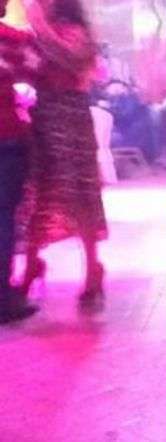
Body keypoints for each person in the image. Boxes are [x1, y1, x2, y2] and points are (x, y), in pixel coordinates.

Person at [17, 0, 107, 311]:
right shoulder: (34, 34)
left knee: (78, 191)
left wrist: (40, 26)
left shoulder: (75, 30)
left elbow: (73, 60)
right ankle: (32, 263)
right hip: (42, 114)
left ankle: (93, 267)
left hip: (70, 115)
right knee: (38, 193)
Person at [0, 0, 39, 325]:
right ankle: (2, 297)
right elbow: (35, 70)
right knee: (3, 216)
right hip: (6, 135)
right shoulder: (12, 40)